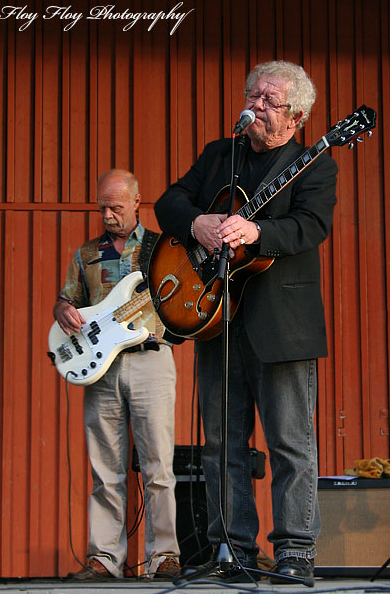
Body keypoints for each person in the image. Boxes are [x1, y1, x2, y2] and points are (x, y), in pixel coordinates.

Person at [154, 60, 338, 585]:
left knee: (289, 444)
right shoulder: (220, 154)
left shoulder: (313, 164)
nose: (255, 106)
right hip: (219, 319)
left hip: (283, 324)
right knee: (222, 444)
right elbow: (170, 199)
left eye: (269, 100)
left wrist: (256, 234)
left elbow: (311, 225)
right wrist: (197, 222)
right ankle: (231, 550)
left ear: (296, 116)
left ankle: (294, 552)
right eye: (252, 95)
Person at [53, 169, 181, 580]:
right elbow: (66, 301)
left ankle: (164, 557)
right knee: (105, 468)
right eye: (102, 207)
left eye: (116, 207)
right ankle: (104, 559)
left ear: (137, 202)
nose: (107, 214)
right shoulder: (86, 253)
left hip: (151, 358)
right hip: (101, 369)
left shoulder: (164, 248)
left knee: (159, 465)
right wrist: (63, 311)